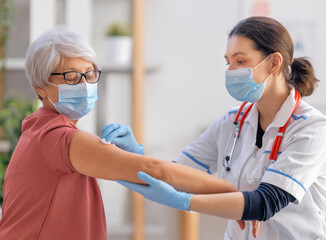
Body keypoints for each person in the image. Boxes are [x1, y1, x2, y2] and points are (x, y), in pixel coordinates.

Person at [0, 25, 239, 240]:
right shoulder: (57, 137)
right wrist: (239, 198)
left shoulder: (38, 129)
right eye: (71, 77)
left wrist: (135, 155)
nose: (85, 85)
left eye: (90, 74)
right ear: (40, 88)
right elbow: (156, 170)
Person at [108, 16, 326, 239]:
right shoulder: (232, 122)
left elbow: (265, 203)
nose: (231, 71)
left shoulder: (312, 128)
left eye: (241, 61)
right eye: (228, 62)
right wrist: (136, 157)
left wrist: (185, 202)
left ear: (274, 63)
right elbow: (177, 173)